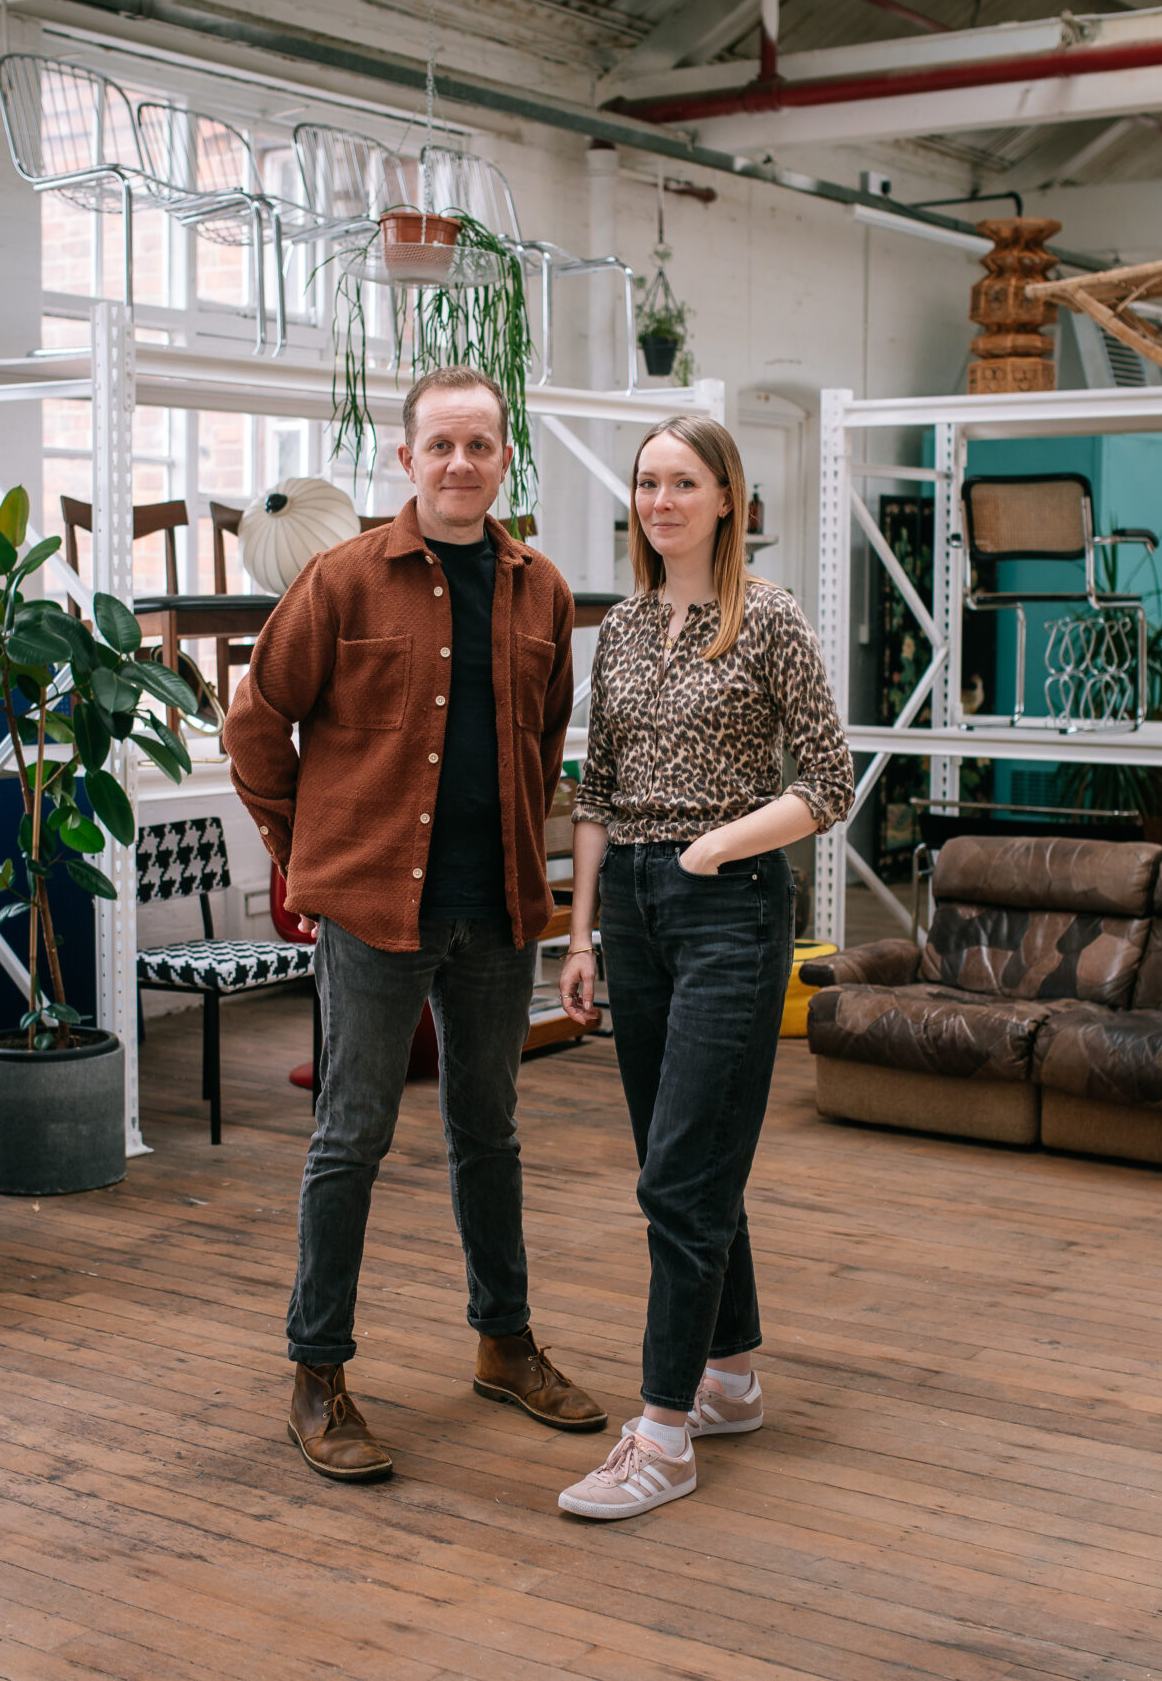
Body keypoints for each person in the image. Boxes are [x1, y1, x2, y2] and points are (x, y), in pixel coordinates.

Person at [224, 364, 608, 1484]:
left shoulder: (540, 589)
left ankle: (503, 1338)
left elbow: (542, 738)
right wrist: (303, 848)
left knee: (489, 1131)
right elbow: (256, 724)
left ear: (503, 458)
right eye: (438, 444)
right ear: (406, 458)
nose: (458, 463)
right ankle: (318, 1370)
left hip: (496, 910)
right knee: (352, 1136)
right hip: (371, 909)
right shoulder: (342, 581)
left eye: (479, 445)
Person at [551, 415, 853, 1520]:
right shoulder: (623, 625)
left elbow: (830, 778)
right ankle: (728, 1374)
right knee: (688, 1156)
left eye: (684, 480)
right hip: (629, 908)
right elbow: (596, 791)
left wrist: (719, 844)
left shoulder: (767, 617)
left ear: (728, 496)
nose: (661, 499)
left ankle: (664, 1433)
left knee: (676, 1175)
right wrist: (578, 934)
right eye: (646, 481)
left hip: (728, 907)